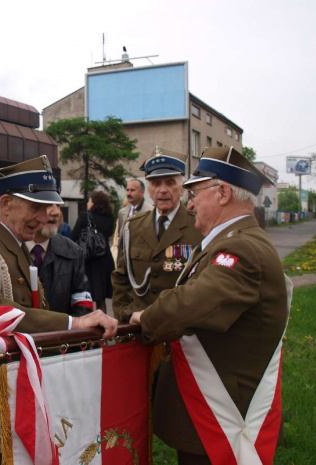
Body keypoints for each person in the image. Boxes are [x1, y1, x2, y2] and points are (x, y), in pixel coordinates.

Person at [0, 155, 118, 465]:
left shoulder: (13, 247)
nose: (45, 215)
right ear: (6, 203)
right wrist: (73, 324)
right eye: (35, 207)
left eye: (47, 207)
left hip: (12, 409)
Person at [129, 146, 290, 465]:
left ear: (223, 193)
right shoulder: (235, 240)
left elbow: (190, 303)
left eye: (195, 192)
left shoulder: (241, 248)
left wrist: (144, 318)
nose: (189, 203)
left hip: (221, 415)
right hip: (211, 408)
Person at [112, 147, 202, 323]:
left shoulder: (199, 227)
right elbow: (121, 277)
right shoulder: (133, 226)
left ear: (182, 188)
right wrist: (125, 314)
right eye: (156, 184)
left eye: (170, 183)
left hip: (180, 328)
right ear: (149, 190)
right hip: (138, 327)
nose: (162, 190)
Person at [26, 203, 93, 316]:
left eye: (58, 206)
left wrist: (72, 329)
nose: (56, 212)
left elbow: (82, 301)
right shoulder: (5, 249)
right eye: (48, 205)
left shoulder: (73, 251)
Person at [71, 190, 116, 312]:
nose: (87, 203)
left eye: (89, 200)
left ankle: (89, 326)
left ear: (95, 202)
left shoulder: (85, 216)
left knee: (87, 296)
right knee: (101, 300)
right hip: (105, 259)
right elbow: (108, 235)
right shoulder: (110, 217)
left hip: (89, 261)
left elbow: (73, 236)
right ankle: (103, 325)